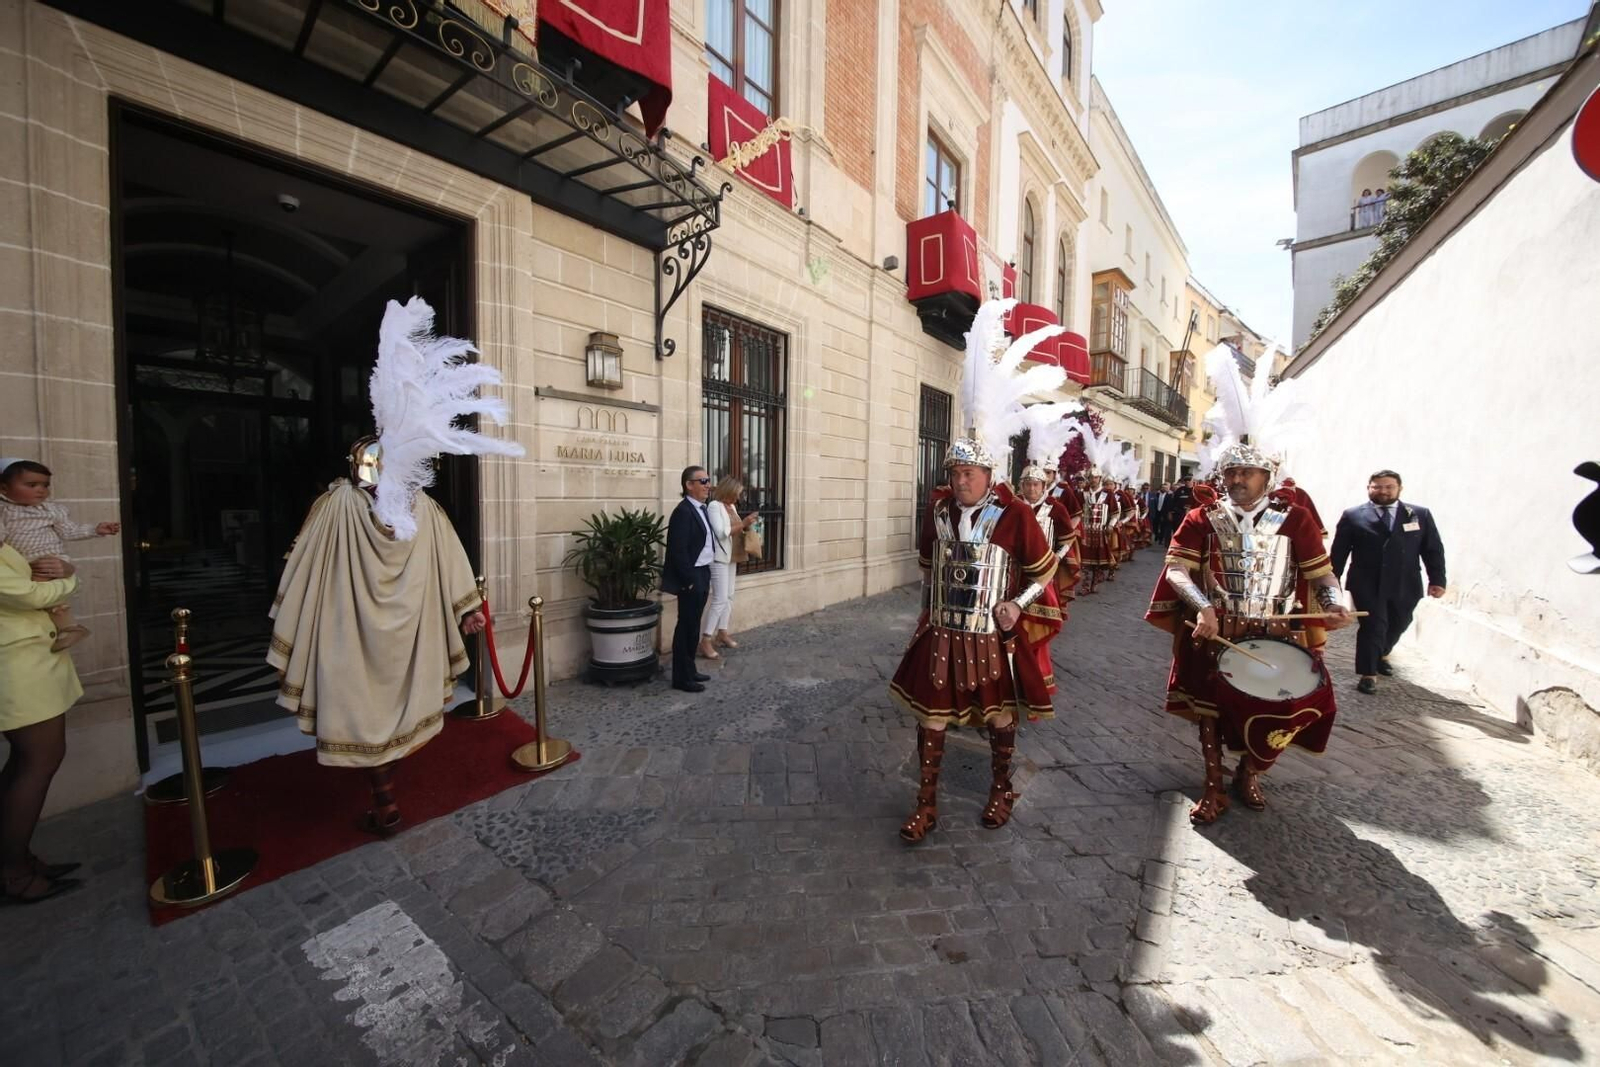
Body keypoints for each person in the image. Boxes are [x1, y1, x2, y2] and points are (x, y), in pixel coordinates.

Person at [269, 297, 518, 835]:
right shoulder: (421, 509)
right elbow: (454, 564)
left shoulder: (338, 503)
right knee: (390, 712)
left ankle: (382, 795)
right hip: (410, 633)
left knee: (360, 710)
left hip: (348, 632)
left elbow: (301, 563)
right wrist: (467, 611)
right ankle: (384, 793)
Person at [892, 298, 1066, 842]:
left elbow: (1046, 570)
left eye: (970, 471)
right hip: (942, 632)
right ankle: (926, 803)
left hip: (992, 635)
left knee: (998, 719)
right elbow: (927, 567)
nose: (961, 479)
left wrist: (1019, 602)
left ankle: (1000, 788)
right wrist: (924, 616)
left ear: (989, 470)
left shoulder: (1015, 513)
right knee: (931, 717)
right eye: (956, 471)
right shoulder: (939, 509)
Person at [0, 518, 85, 903]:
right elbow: (28, 595)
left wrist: (61, 569)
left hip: (30, 659)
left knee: (24, 763)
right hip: (17, 666)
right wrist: (70, 577)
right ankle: (13, 873)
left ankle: (16, 857)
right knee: (40, 761)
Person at [1330, 470, 1446, 694]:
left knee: (1400, 622)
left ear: (1399, 489)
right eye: (1377, 487)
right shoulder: (1353, 515)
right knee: (1373, 626)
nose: (1382, 491)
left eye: (1388, 487)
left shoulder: (1419, 514)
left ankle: (1380, 653)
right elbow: (1339, 553)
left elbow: (1433, 549)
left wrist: (1437, 580)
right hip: (1366, 582)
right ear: (1368, 488)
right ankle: (1368, 673)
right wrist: (1332, 582)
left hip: (1406, 582)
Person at [0, 459, 120, 651]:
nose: (41, 490)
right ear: (4, 488)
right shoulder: (3, 510)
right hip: (24, 563)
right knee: (39, 596)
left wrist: (95, 529)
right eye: (32, 485)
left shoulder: (50, 510)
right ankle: (64, 628)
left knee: (41, 591)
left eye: (45, 485)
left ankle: (69, 627)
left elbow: (69, 531)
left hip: (50, 557)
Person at [663, 466, 715, 693]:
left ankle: (690, 670)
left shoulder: (700, 509)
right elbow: (678, 551)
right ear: (688, 485)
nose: (707, 485)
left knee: (694, 626)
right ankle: (681, 678)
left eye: (708, 480)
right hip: (692, 575)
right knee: (685, 627)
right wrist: (689, 580)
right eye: (702, 481)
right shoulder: (683, 511)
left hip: (703, 571)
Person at [700, 474, 758, 658]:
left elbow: (737, 529)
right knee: (720, 599)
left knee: (730, 596)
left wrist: (748, 526)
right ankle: (706, 639)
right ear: (728, 491)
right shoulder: (714, 506)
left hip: (733, 556)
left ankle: (722, 633)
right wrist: (744, 523)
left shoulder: (731, 506)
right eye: (737, 494)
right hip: (719, 558)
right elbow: (721, 532)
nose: (738, 498)